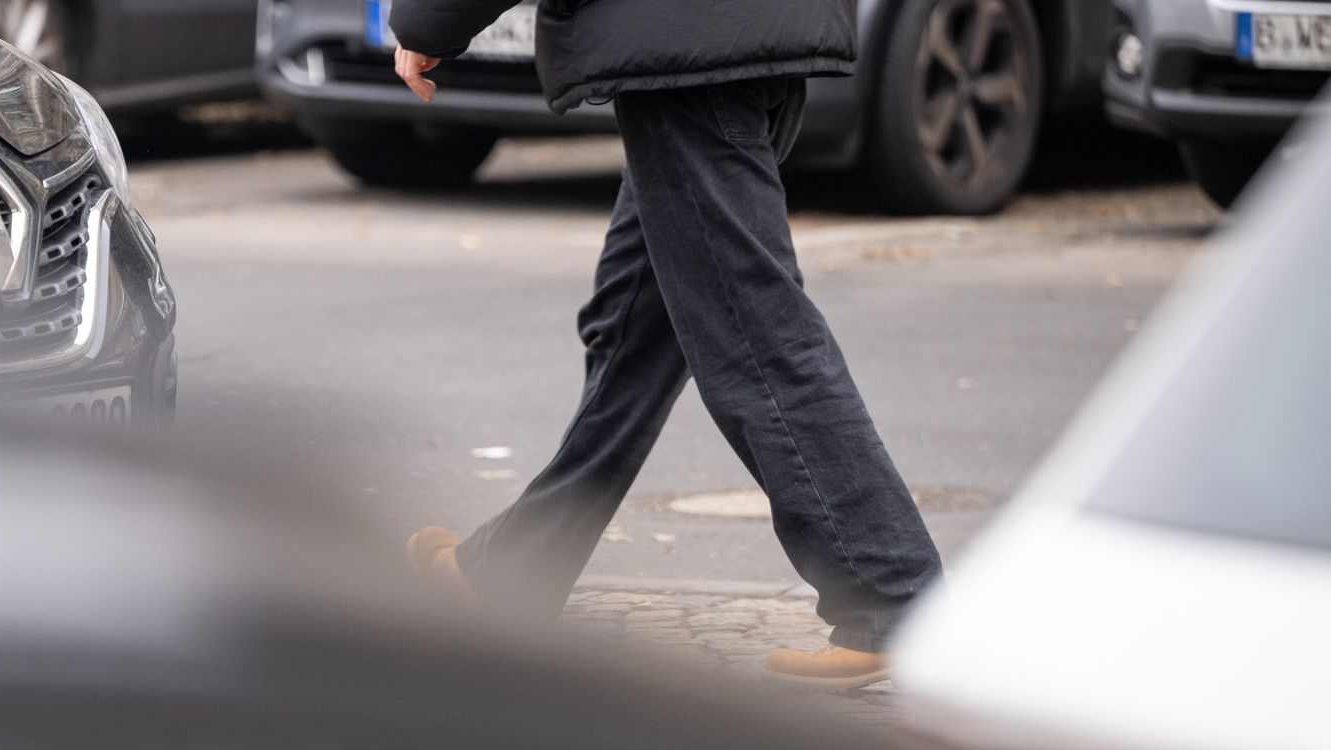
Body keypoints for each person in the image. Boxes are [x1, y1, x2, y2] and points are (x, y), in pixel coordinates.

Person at [392, 0, 943, 689]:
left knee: (755, 336)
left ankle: (892, 593)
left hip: (687, 61)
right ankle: (507, 573)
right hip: (743, 37)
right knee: (633, 331)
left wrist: (427, 22)